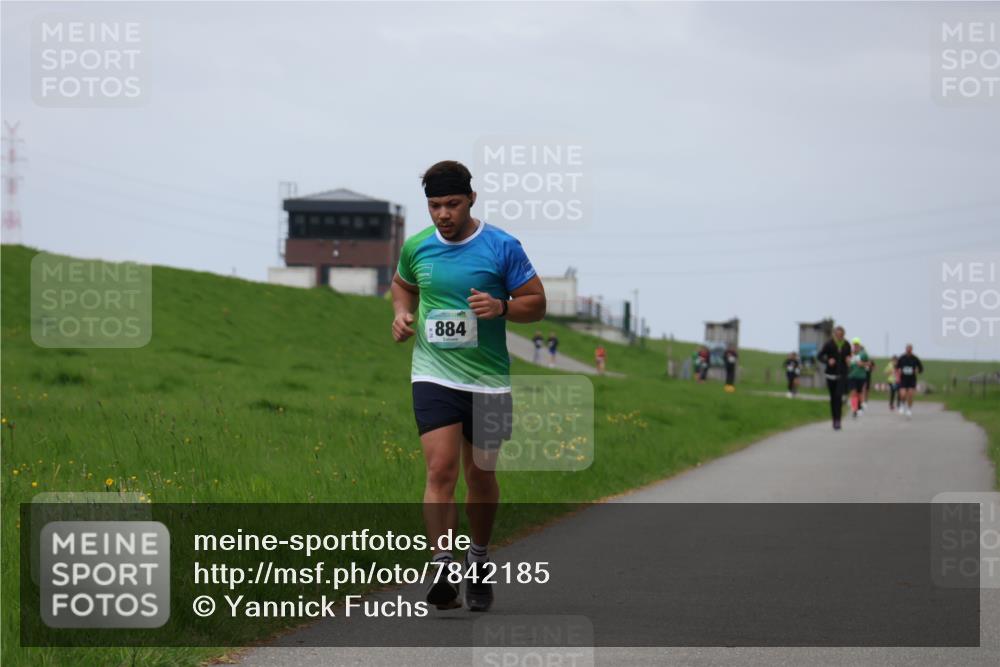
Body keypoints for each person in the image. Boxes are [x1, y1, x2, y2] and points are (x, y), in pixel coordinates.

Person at [391, 160, 546, 612]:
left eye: (452, 204)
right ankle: (443, 566)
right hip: (433, 373)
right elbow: (402, 286)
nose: (443, 214)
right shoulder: (417, 247)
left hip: (489, 379)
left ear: (471, 199)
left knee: (481, 476)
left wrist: (501, 307)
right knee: (440, 471)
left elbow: (536, 304)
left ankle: (478, 558)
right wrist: (401, 314)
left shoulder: (501, 246)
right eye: (435, 205)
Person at [817, 326, 852, 430]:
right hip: (830, 375)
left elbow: (849, 356)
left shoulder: (846, 345)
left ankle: (838, 421)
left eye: (841, 335)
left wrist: (849, 359)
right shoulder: (829, 344)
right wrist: (828, 361)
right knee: (833, 398)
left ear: (843, 335)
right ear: (834, 334)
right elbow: (819, 356)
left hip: (842, 374)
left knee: (838, 398)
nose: (839, 336)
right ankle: (834, 419)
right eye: (837, 334)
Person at [896, 344, 924, 418]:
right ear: (905, 350)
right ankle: (902, 405)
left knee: (910, 395)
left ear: (912, 350)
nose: (908, 351)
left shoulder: (915, 358)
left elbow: (921, 368)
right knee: (903, 394)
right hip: (903, 379)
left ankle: (909, 409)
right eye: (907, 349)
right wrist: (899, 370)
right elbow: (897, 367)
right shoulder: (902, 358)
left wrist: (917, 370)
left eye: (910, 350)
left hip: (912, 379)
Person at [847, 338, 871, 418]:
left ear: (859, 345)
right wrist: (848, 362)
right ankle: (854, 409)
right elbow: (848, 365)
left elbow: (869, 363)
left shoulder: (863, 354)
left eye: (857, 344)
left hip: (861, 376)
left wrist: (863, 364)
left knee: (859, 394)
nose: (855, 346)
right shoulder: (850, 354)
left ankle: (859, 407)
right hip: (852, 376)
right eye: (854, 344)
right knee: (853, 393)